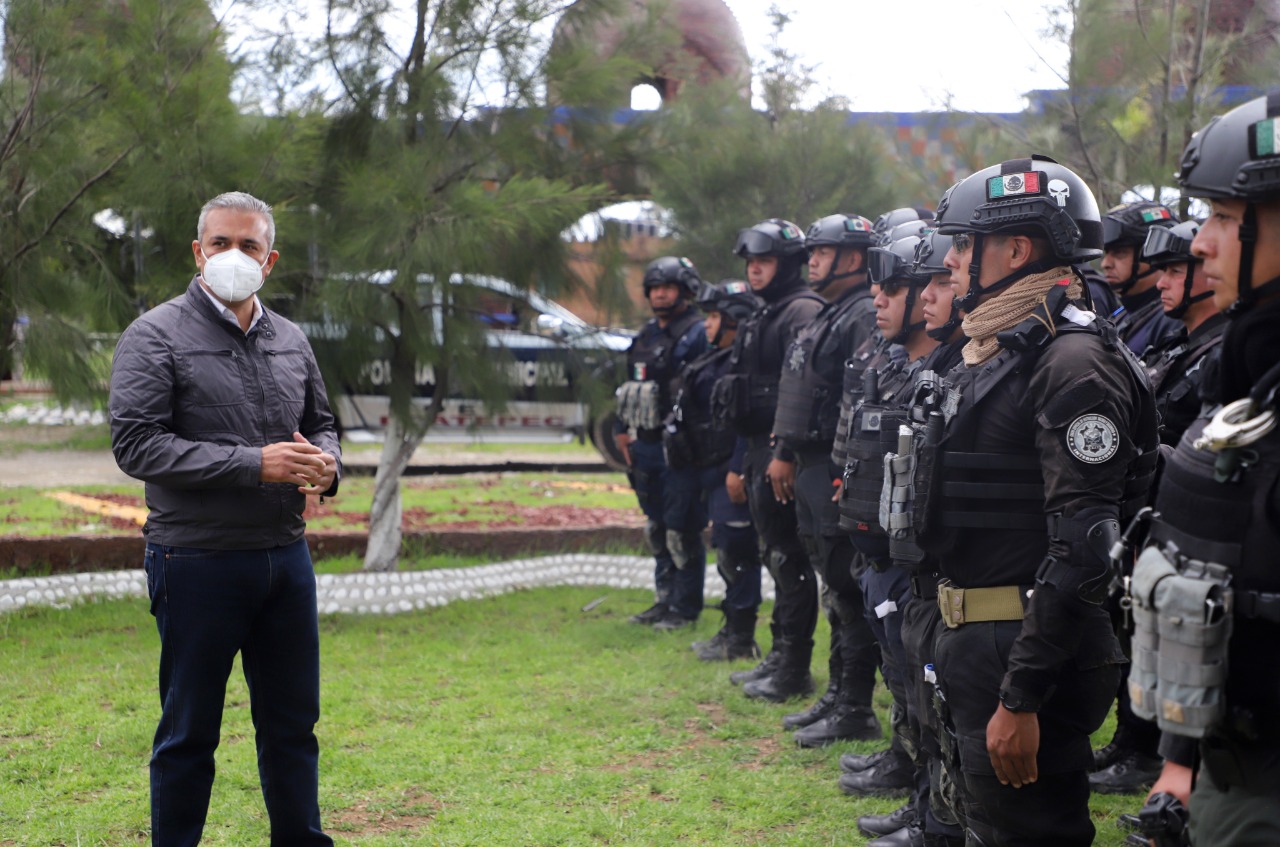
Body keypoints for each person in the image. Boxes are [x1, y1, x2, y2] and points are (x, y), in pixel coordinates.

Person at [919, 156, 1158, 846]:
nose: (953, 260)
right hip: (985, 640)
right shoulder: (1003, 348)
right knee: (989, 824)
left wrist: (1019, 694)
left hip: (1026, 648)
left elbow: (1086, 542)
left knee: (1028, 831)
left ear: (1016, 250)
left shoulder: (1070, 360)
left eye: (965, 244)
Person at [109, 191, 342, 846]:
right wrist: (253, 464)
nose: (233, 256)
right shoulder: (154, 335)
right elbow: (136, 445)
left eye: (247, 245)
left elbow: (322, 424)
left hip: (285, 560)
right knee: (189, 734)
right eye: (220, 243)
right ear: (198, 251)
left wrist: (328, 465)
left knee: (293, 725)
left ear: (270, 259)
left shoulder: (291, 339)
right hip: (197, 561)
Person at [1128, 93, 1280, 847]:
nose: (1202, 244)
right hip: (1237, 765)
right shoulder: (1251, 377)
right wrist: (1181, 756)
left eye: (1225, 216)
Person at [761, 212, 885, 742]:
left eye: (822, 252)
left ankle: (854, 706)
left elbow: (859, 398)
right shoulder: (833, 312)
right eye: (810, 252)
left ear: (853, 258)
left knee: (846, 586)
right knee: (834, 585)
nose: (811, 261)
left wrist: (842, 471)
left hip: (834, 469)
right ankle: (837, 694)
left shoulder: (860, 313)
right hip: (813, 464)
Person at [712, 218, 824, 695]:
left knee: (791, 559)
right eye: (751, 263)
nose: (755, 271)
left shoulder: (799, 311)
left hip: (784, 456)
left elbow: (802, 391)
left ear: (788, 263)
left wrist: (784, 451)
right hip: (759, 450)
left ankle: (793, 666)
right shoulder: (765, 312)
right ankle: (780, 655)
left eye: (765, 262)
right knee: (776, 557)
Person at [668, 280, 765, 660]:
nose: (706, 325)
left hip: (731, 472)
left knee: (737, 551)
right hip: (707, 470)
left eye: (714, 317)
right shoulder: (714, 359)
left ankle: (741, 639)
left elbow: (746, 423)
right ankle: (731, 629)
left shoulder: (748, 364)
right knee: (725, 550)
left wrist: (737, 469)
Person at [614, 256, 708, 629]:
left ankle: (685, 608)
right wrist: (623, 428)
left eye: (668, 288)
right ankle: (663, 599)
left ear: (686, 291)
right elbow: (628, 386)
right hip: (645, 445)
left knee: (680, 529)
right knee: (655, 527)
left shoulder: (697, 333)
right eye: (654, 288)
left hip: (680, 449)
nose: (660, 295)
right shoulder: (646, 335)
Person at [1100, 201, 1183, 356]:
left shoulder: (1172, 320)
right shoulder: (1123, 312)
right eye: (1107, 253)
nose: (1105, 263)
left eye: (1120, 253)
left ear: (1153, 254)